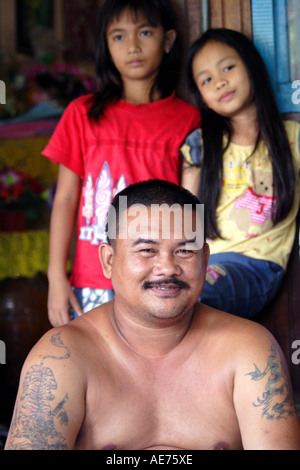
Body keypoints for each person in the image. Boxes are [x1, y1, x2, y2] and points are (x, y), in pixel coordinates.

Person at [4, 180, 300, 450]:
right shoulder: (61, 357)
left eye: (185, 251)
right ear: (109, 260)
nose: (168, 267)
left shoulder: (251, 351)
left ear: (205, 260)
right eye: (147, 250)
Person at [42, 0, 201, 327]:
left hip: (156, 277)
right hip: (91, 278)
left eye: (145, 32)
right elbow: (66, 198)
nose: (132, 46)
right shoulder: (81, 113)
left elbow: (188, 208)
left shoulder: (186, 119)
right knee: (98, 369)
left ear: (168, 40)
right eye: (118, 36)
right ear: (106, 46)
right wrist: (57, 277)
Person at [181, 28, 300, 318]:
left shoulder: (293, 139)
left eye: (228, 67)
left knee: (192, 294)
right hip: (202, 262)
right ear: (202, 95)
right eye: (207, 79)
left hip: (256, 265)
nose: (220, 82)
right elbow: (185, 220)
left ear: (251, 66)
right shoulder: (200, 146)